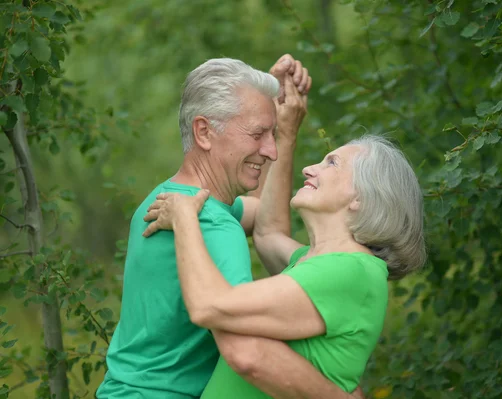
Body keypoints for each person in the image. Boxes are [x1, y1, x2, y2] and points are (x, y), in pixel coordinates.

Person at [96, 55, 362, 399]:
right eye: (257, 134)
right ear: (204, 132)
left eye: (272, 135)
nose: (271, 151)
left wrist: (282, 123)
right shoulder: (215, 227)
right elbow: (247, 352)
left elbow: (266, 220)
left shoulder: (175, 199)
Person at [142, 126, 427, 398]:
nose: (309, 168)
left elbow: (209, 306)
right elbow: (268, 233)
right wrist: (286, 131)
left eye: (332, 163)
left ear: (360, 198)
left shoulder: (349, 271)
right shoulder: (316, 262)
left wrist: (185, 219)